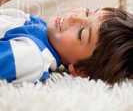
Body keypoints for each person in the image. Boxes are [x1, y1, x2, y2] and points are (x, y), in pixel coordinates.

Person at [0, 6, 133, 85]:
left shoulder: (32, 57)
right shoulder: (38, 25)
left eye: (81, 33)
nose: (74, 17)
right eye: (88, 12)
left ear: (80, 70)